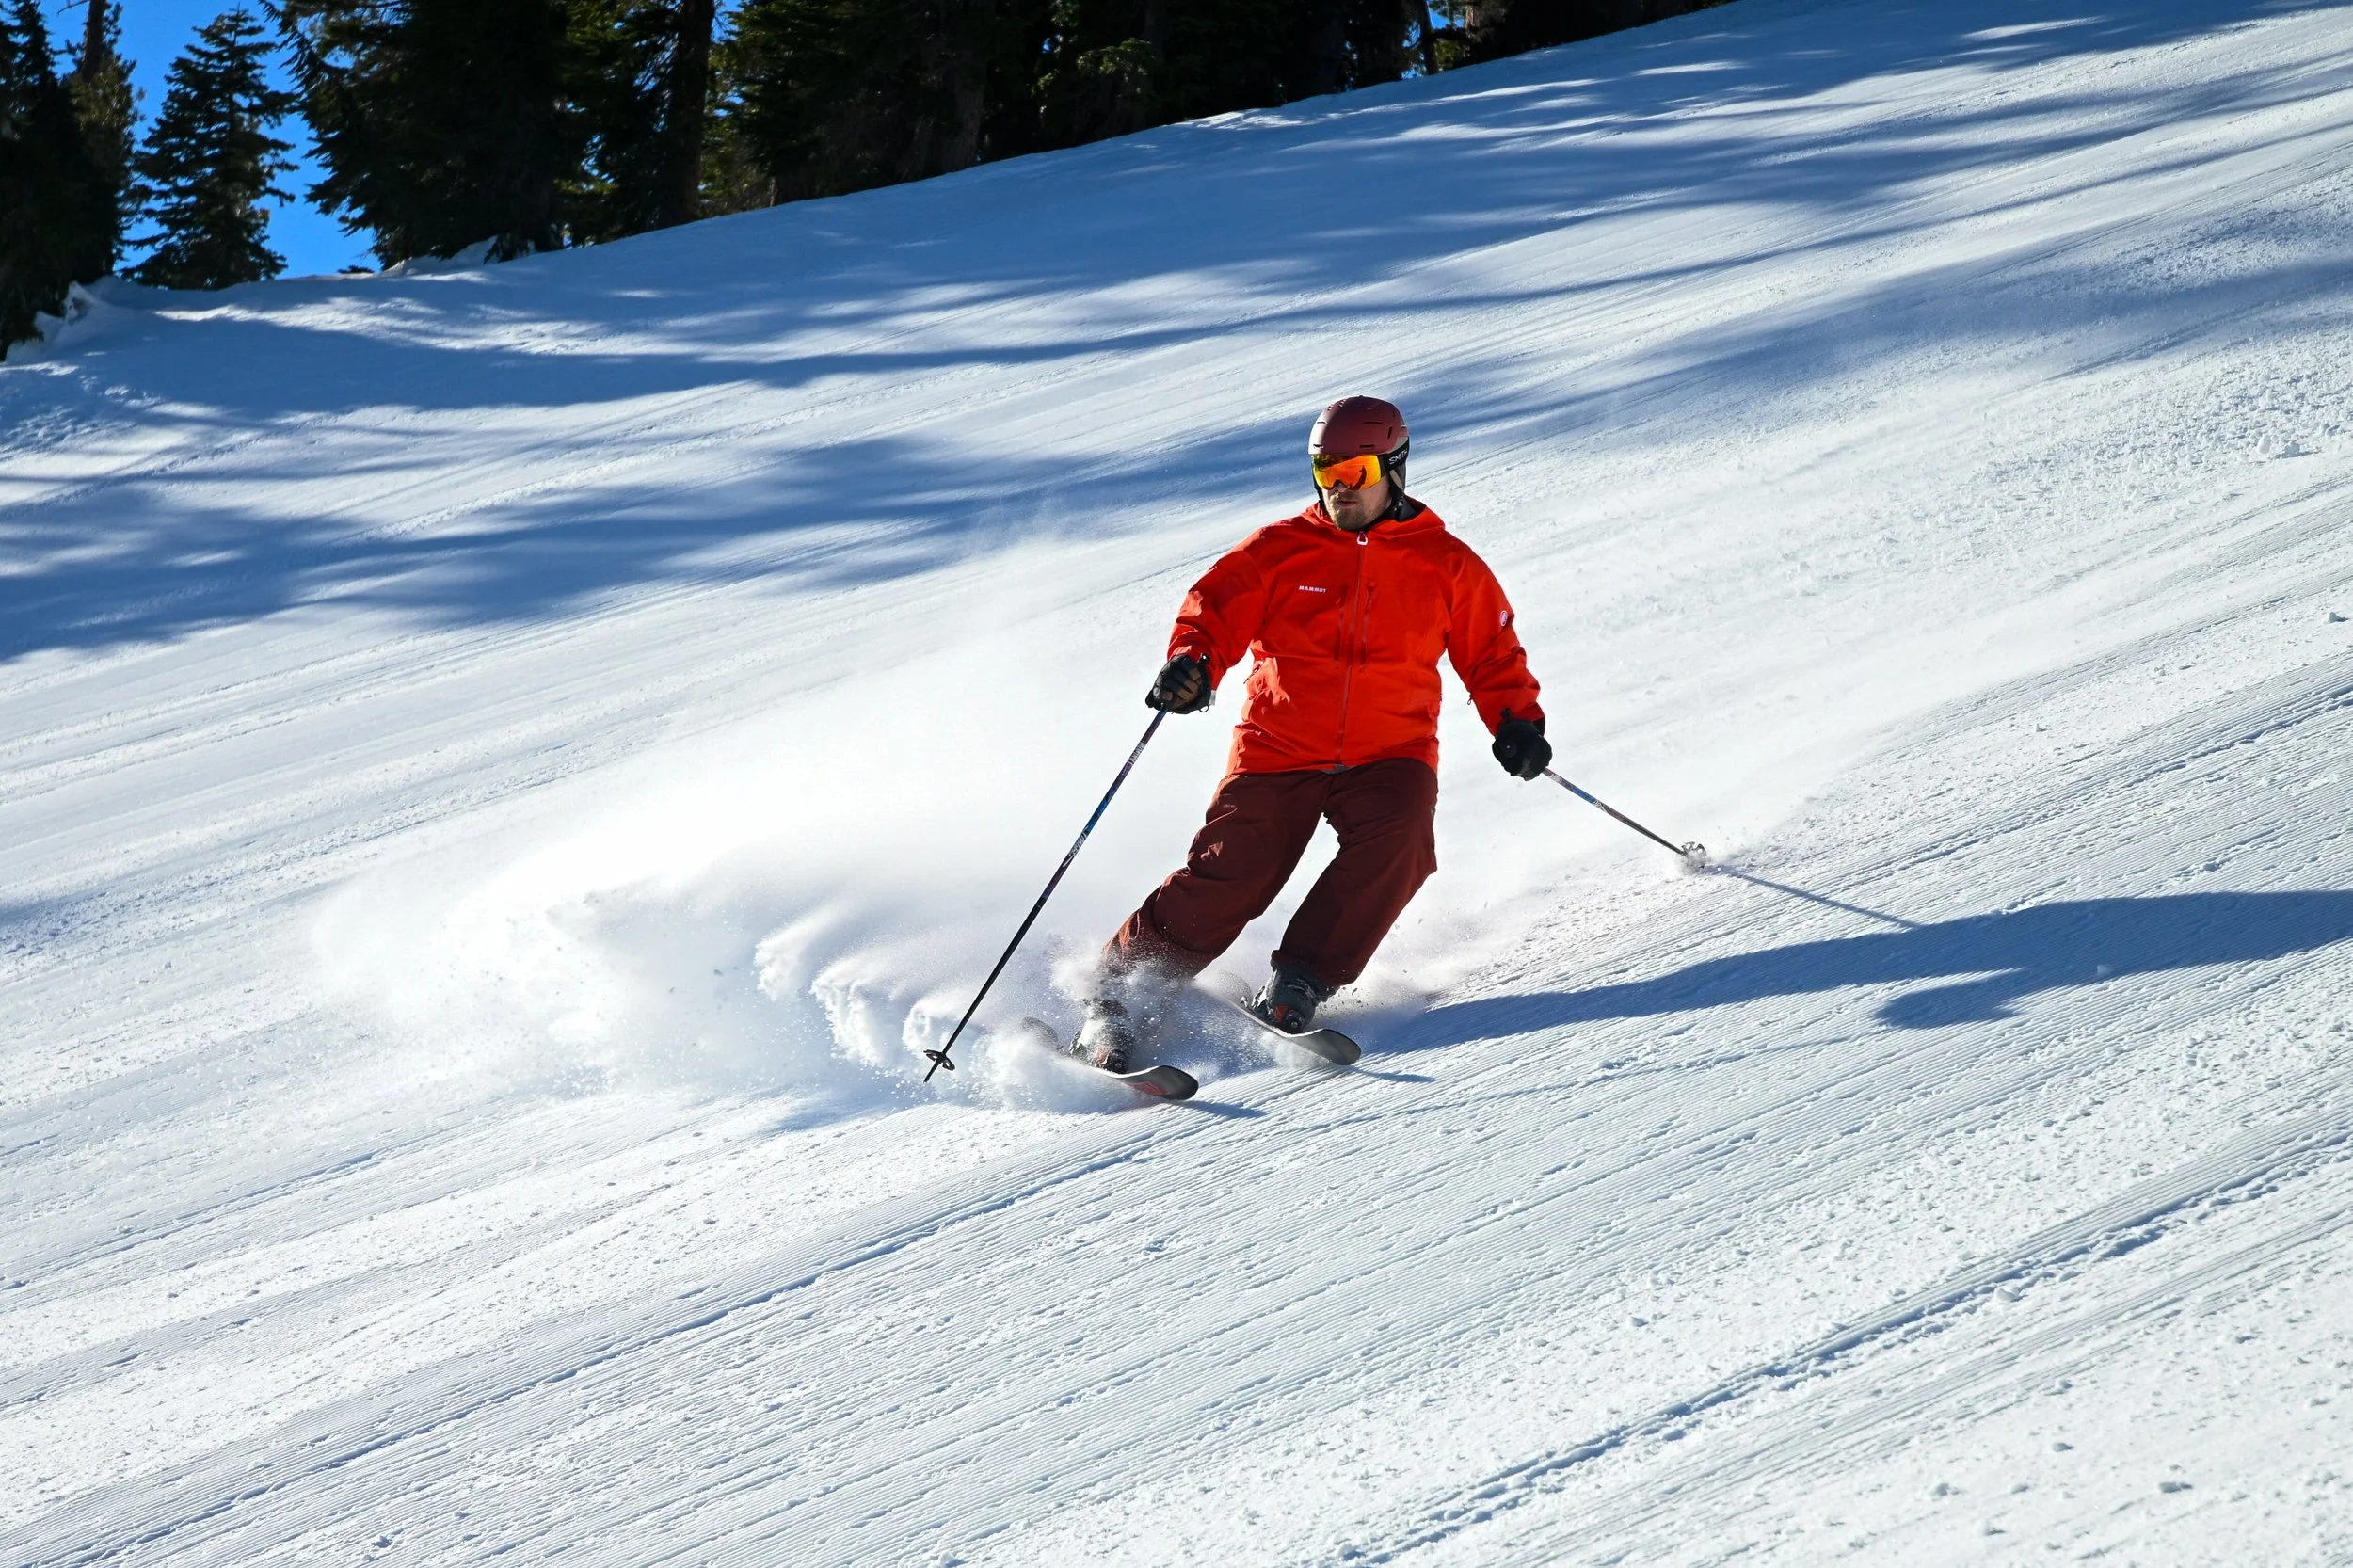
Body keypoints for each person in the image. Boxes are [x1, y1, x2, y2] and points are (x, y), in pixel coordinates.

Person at [1076, 396, 1554, 1070]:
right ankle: (1117, 996)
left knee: (1402, 841)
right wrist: (1193, 665)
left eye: (1354, 471)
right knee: (1236, 870)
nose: (1338, 488)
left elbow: (1492, 655)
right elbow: (1213, 613)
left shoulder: (1446, 564)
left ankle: (1301, 978)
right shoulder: (1278, 550)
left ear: (1394, 468)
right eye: (1325, 470)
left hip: (1391, 751)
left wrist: (1517, 723)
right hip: (1279, 746)